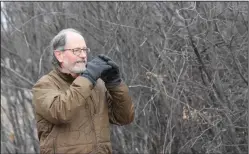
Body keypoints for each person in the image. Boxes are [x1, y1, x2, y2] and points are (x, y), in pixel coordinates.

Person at [32, 28, 135, 154]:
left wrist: (115, 84)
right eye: (76, 50)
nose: (83, 55)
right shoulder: (44, 85)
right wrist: (88, 77)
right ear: (59, 55)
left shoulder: (97, 85)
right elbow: (60, 112)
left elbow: (124, 118)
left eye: (84, 50)